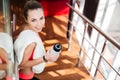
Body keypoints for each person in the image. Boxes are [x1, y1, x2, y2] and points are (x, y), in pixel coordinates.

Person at [14, 0, 59, 80]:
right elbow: (21, 65)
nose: (39, 24)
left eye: (41, 18)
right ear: (26, 19)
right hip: (25, 78)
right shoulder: (31, 43)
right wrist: (45, 58)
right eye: (33, 20)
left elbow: (13, 35)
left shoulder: (25, 27)